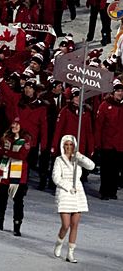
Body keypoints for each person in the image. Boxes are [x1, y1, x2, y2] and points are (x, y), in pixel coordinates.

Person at [52, 135, 95, 263]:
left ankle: (70, 253)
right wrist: (67, 187)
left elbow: (91, 166)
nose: (69, 147)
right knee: (66, 225)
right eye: (67, 144)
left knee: (74, 224)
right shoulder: (59, 160)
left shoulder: (77, 159)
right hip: (65, 192)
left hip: (77, 193)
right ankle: (59, 242)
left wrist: (80, 156)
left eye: (71, 145)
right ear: (63, 145)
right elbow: (56, 177)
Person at [0, 117, 31, 237]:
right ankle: (0, 221)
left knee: (18, 201)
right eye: (13, 124)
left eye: (17, 124)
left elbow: (21, 155)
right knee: (2, 199)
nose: (14, 126)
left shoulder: (26, 140)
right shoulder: (6, 138)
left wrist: (6, 152)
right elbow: (0, 152)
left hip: (19, 176)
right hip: (5, 173)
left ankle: (17, 225)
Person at [94, 79, 123, 200]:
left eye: (122, 91)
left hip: (120, 143)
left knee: (116, 169)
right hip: (107, 143)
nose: (120, 93)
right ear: (113, 92)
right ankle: (105, 190)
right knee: (106, 168)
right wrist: (97, 143)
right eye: (118, 91)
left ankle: (112, 190)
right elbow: (99, 125)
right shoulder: (105, 105)